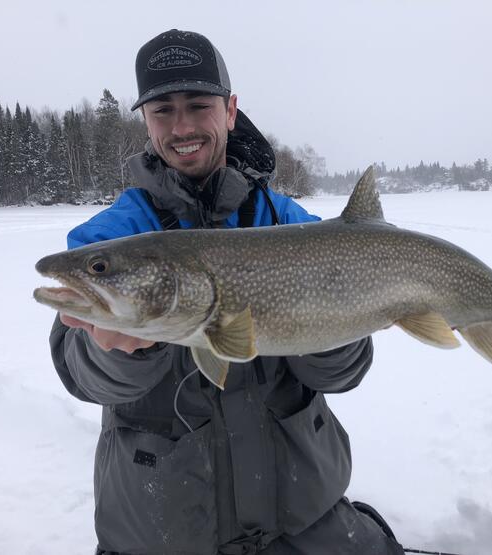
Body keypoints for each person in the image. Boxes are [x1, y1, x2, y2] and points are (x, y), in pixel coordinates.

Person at [49, 29, 405, 555]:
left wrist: (332, 330)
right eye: (163, 110)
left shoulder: (292, 226)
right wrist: (117, 354)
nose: (183, 126)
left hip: (304, 520)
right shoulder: (111, 242)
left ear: (231, 110)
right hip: (163, 534)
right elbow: (80, 373)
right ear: (144, 121)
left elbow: (342, 374)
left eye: (199, 105)